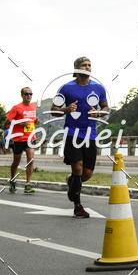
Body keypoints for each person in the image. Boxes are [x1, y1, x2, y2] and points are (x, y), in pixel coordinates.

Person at [52, 56, 108, 218]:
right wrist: (66, 110)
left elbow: (105, 107)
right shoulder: (66, 88)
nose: (88, 67)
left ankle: (72, 182)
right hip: (72, 133)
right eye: (84, 65)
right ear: (76, 68)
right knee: (77, 168)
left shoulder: (98, 88)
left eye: (89, 65)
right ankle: (78, 205)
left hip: (91, 134)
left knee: (87, 173)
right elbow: (54, 108)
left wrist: (99, 113)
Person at [5, 88, 38, 193]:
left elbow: (31, 121)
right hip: (18, 138)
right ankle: (13, 180)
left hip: (31, 137)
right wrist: (19, 123)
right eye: (26, 94)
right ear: (22, 95)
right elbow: (7, 121)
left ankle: (27, 184)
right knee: (16, 162)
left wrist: (36, 121)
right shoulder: (16, 108)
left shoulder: (33, 106)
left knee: (31, 159)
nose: (28, 96)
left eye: (30, 94)